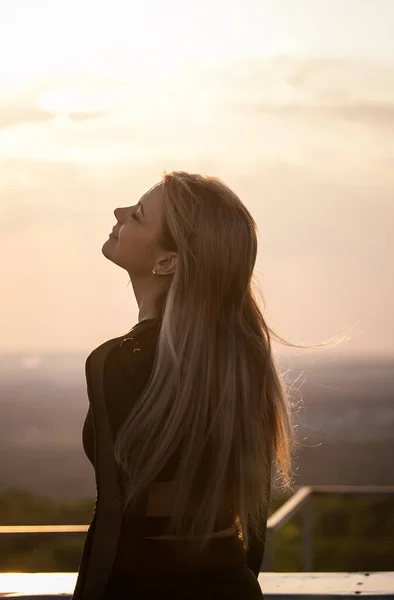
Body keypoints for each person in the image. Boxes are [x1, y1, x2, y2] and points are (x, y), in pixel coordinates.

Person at [72, 171, 341, 600]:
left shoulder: (119, 361)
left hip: (143, 588)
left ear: (167, 261)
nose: (119, 213)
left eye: (138, 215)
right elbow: (251, 510)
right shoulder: (242, 355)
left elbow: (113, 515)